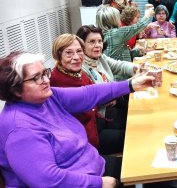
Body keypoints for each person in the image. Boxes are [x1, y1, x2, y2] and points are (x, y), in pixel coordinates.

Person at [0, 51, 153, 187]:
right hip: (89, 181)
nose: (46, 80)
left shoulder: (47, 98)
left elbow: (89, 94)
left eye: (44, 73)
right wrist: (99, 183)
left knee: (149, 167)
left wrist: (131, 84)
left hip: (95, 166)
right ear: (15, 89)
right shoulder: (19, 129)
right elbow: (48, 180)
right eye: (36, 78)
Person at [49, 34, 125, 156]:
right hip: (85, 142)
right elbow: (92, 98)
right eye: (69, 53)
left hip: (96, 123)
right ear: (58, 55)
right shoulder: (56, 81)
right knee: (130, 138)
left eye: (79, 51)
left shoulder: (76, 72)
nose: (76, 57)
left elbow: (96, 93)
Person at [76, 25, 139, 129]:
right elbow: (99, 97)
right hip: (102, 116)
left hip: (114, 105)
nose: (98, 45)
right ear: (81, 45)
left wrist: (135, 68)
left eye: (100, 41)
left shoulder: (100, 57)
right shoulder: (81, 67)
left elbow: (118, 65)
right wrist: (129, 83)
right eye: (92, 42)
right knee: (133, 127)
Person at [96, 4, 154, 71]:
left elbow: (118, 55)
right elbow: (137, 27)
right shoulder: (115, 33)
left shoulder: (103, 34)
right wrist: (147, 15)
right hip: (121, 75)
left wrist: (138, 51)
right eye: (118, 17)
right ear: (113, 19)